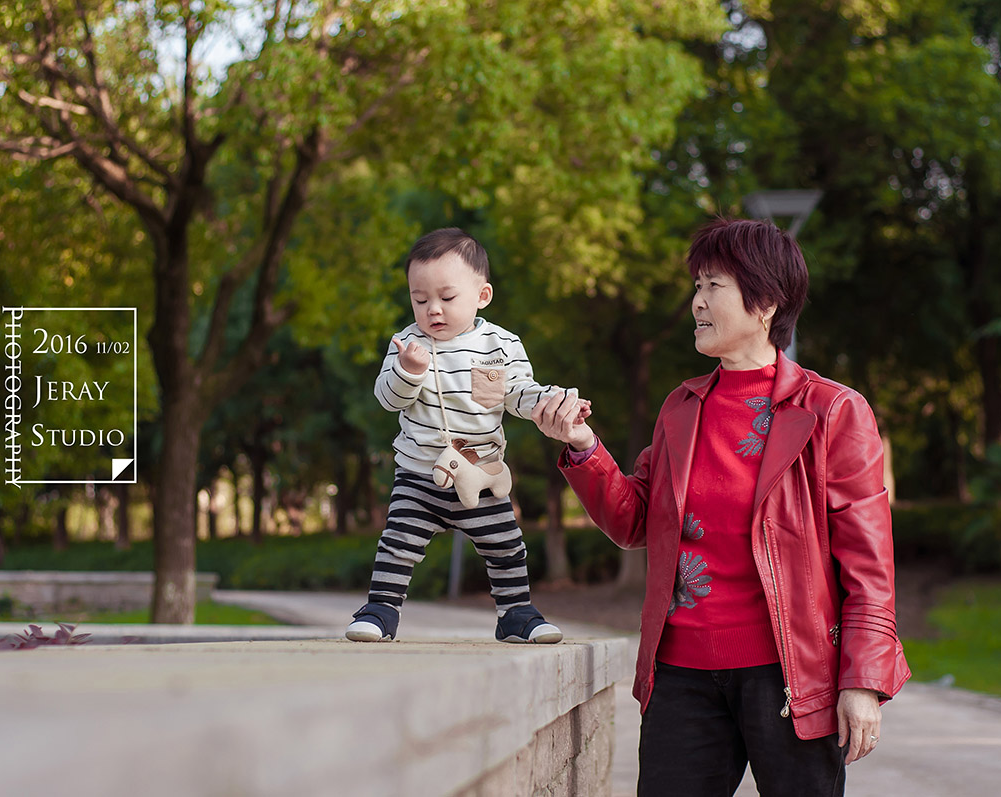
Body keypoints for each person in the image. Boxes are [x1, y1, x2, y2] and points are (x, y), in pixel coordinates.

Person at [530, 217, 910, 796]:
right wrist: (583, 446)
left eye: (713, 287)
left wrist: (863, 681)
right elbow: (635, 521)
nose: (696, 303)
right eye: (697, 287)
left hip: (789, 676)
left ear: (765, 303)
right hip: (681, 674)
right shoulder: (681, 409)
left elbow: (868, 564)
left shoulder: (832, 411)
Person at [347, 227, 590, 645]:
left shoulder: (497, 345)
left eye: (446, 297)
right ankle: (380, 610)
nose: (432, 310)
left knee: (505, 545)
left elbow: (515, 393)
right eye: (419, 299)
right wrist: (409, 371)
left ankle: (516, 614)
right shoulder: (407, 343)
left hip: (481, 472)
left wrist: (547, 401)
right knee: (398, 542)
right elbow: (386, 399)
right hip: (420, 474)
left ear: (482, 295)